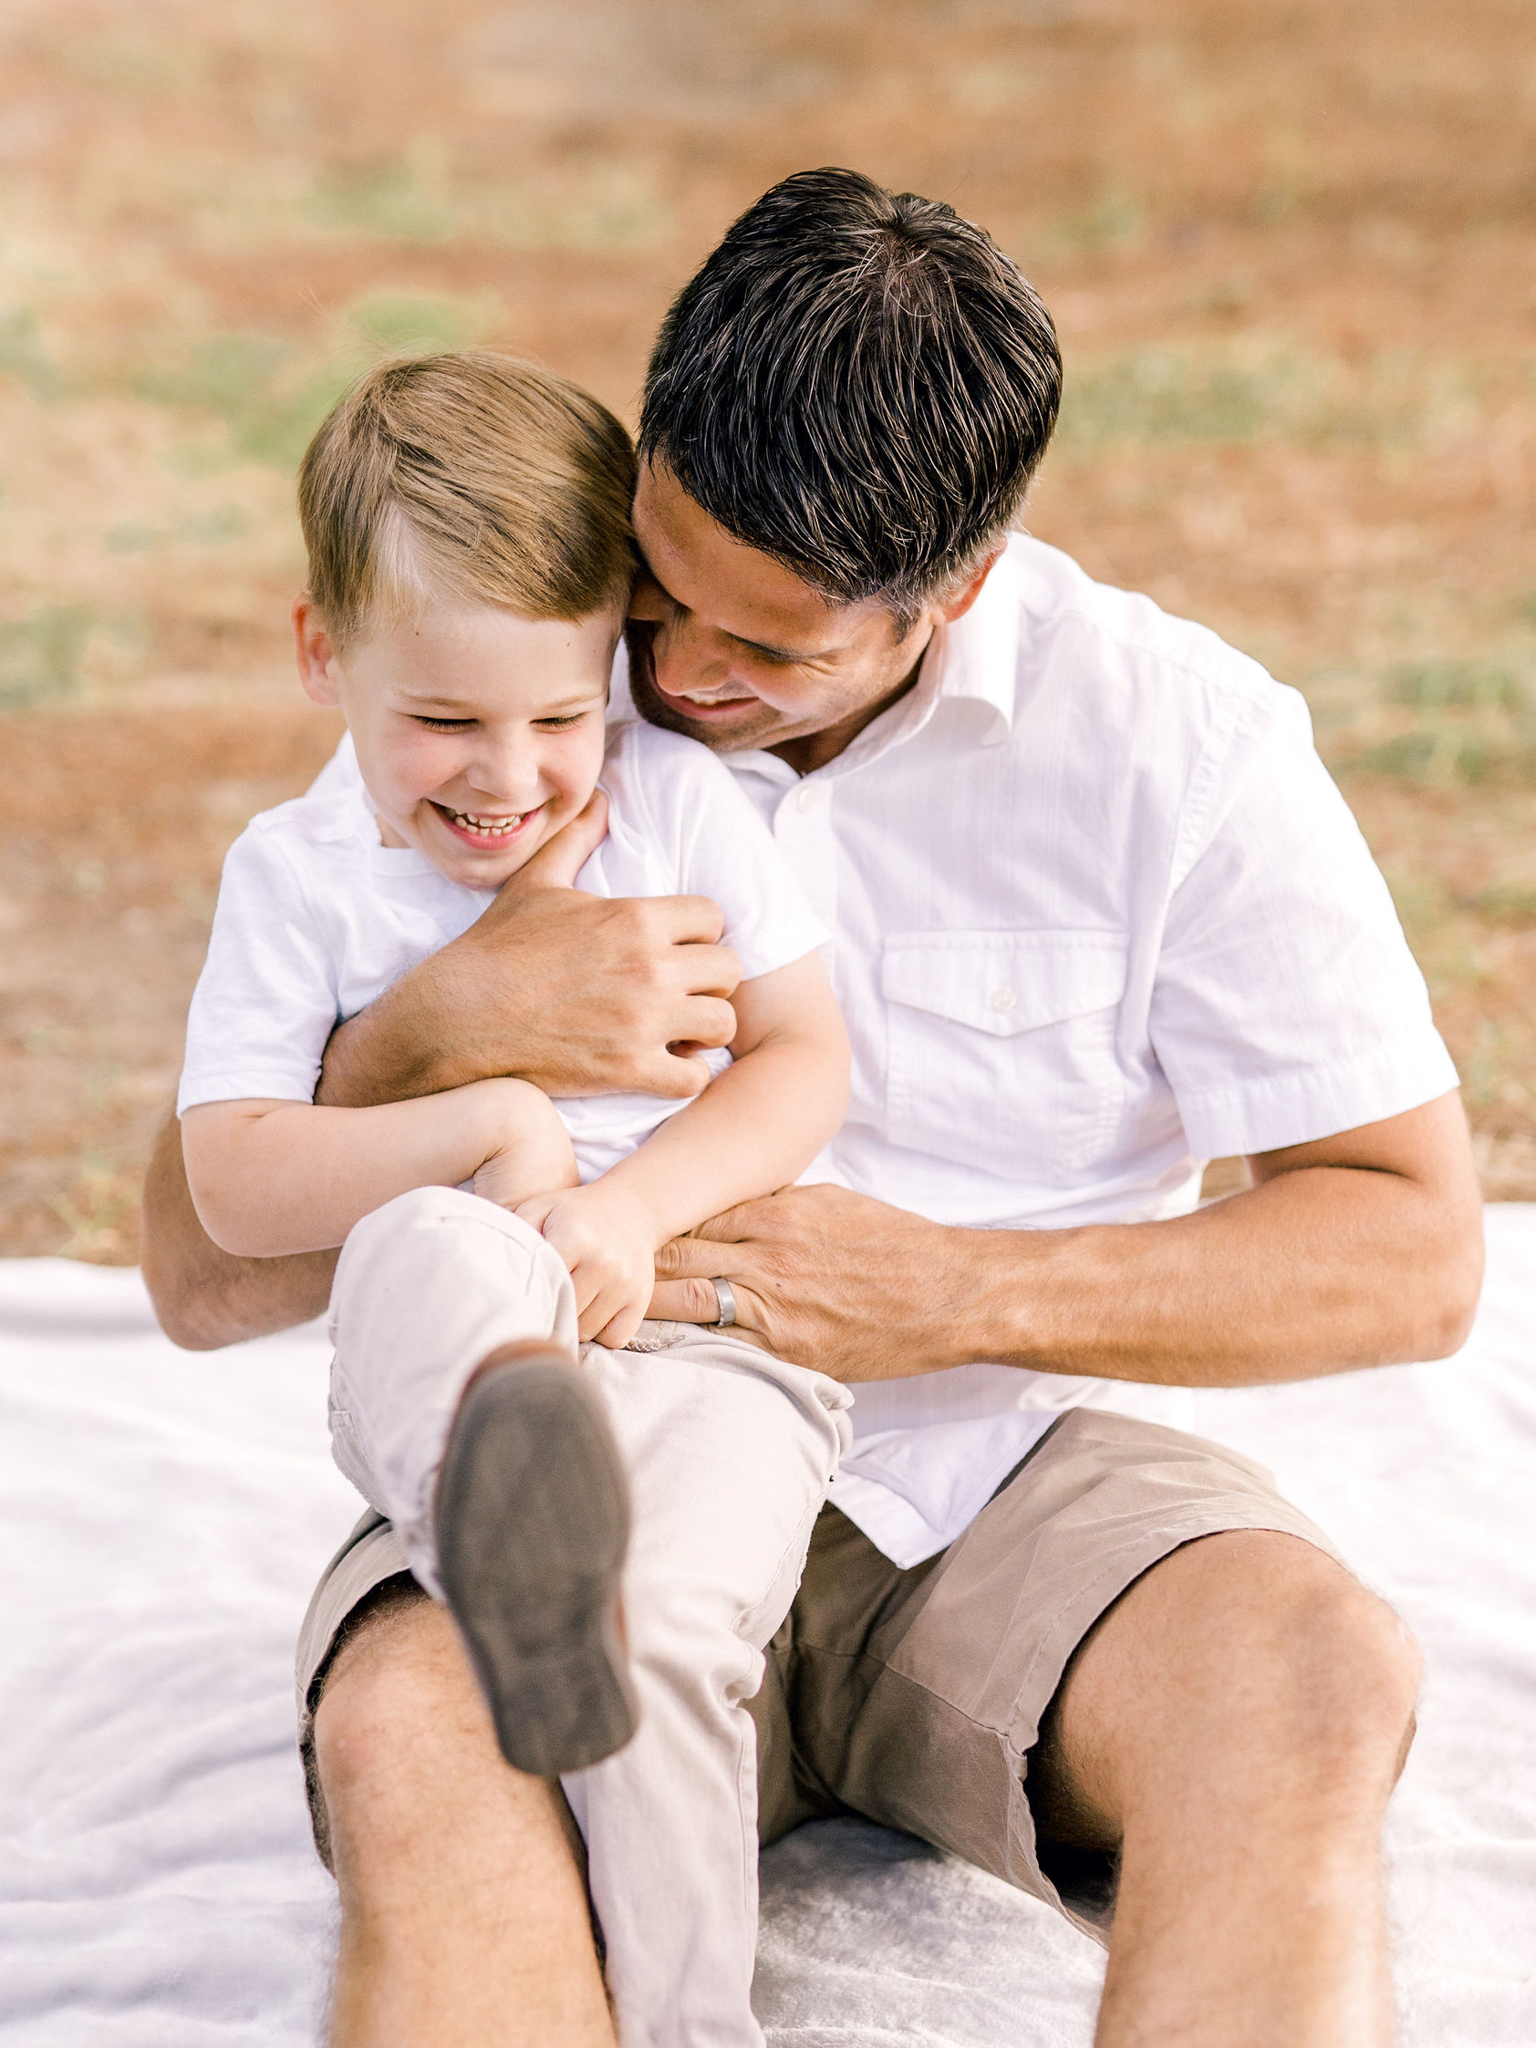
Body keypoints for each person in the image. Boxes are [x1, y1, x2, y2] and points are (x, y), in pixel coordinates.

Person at [142, 169, 1484, 2048]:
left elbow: (1415, 1252)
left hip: (991, 1485)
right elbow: (202, 1274)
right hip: (574, 1437)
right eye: (665, 594)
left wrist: (964, 1297)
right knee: (418, 1744)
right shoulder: (514, 687)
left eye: (767, 654)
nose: (675, 682)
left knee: (1311, 1671)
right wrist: (433, 1039)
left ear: (960, 590)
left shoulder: (1182, 751)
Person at [176, 348, 854, 2032]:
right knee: (433, 1248)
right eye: (442, 722)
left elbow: (803, 1063)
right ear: (322, 653)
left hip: (706, 1342)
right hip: (468, 1335)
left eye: (562, 717)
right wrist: (484, 1129)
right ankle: (510, 1475)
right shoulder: (301, 876)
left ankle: (691, 2016)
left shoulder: (682, 808)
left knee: (676, 1645)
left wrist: (624, 1212)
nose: (509, 779)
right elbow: (235, 1182)